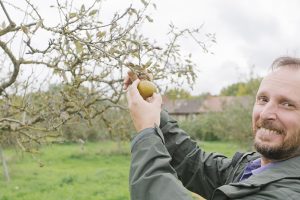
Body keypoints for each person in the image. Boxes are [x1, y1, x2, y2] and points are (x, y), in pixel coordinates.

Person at [124, 56, 300, 200]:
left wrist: (147, 132)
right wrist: (154, 112)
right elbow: (196, 165)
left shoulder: (288, 192)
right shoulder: (252, 167)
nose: (265, 114)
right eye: (263, 99)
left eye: (287, 104)